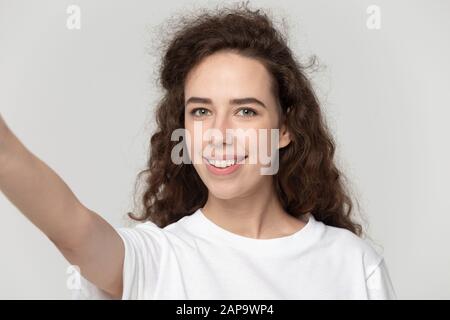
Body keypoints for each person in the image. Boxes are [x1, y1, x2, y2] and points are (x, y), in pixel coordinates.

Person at [0, 3, 397, 300]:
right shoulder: (155, 260)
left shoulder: (353, 265)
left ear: (285, 129)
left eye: (245, 111)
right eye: (202, 111)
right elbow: (74, 231)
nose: (219, 134)